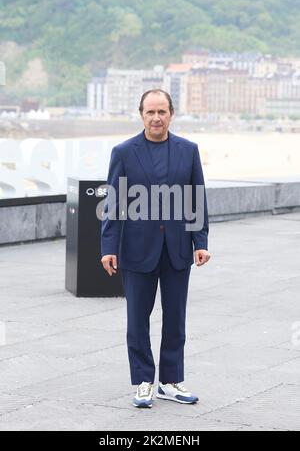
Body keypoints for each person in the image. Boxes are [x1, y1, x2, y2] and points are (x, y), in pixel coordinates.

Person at [101, 89, 210, 408]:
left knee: (176, 318)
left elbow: (196, 199)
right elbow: (114, 203)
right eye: (150, 112)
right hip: (136, 248)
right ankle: (143, 382)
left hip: (177, 249)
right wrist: (108, 247)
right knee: (137, 319)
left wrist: (200, 242)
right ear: (141, 115)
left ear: (171, 114)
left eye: (162, 111)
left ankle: (171, 381)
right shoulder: (124, 152)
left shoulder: (188, 150)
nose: (156, 117)